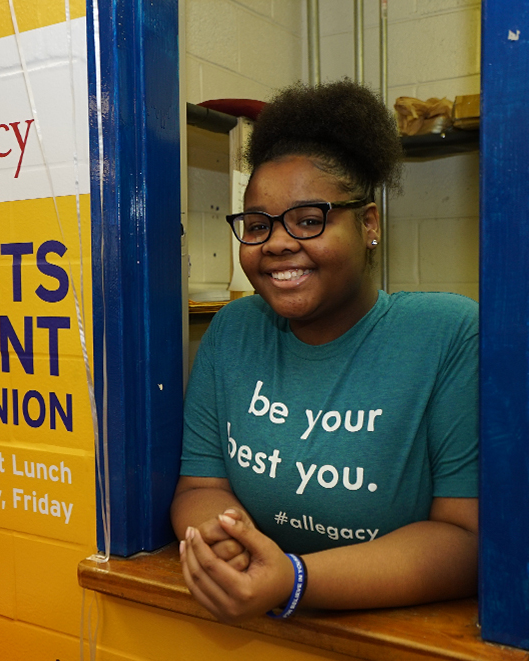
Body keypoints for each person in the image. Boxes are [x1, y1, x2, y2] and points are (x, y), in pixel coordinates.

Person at [171, 80, 479, 624]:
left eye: (309, 219)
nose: (278, 243)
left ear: (369, 224)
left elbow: (465, 538)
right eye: (258, 225)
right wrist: (226, 543)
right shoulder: (233, 331)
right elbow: (201, 486)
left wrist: (292, 580)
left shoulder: (448, 335)